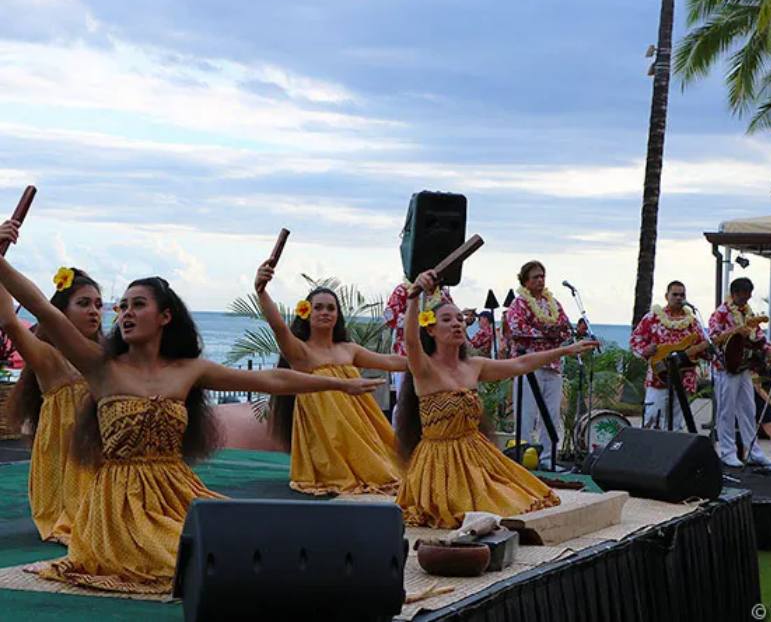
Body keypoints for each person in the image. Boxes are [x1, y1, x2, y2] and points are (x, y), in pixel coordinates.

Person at [0, 220, 382, 594]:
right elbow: (39, 305)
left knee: (251, 542)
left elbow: (273, 380)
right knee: (192, 560)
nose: (125, 314)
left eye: (138, 305)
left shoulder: (187, 371)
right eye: (123, 307)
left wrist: (339, 384)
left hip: (177, 490)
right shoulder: (101, 367)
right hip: (121, 506)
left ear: (165, 317)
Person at [396, 270, 598, 529]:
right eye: (447, 320)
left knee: (520, 498)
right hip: (439, 461)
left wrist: (566, 350)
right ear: (431, 329)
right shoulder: (423, 368)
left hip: (476, 453)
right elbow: (411, 341)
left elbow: (520, 363)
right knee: (462, 511)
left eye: (460, 318)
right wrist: (414, 298)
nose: (457, 323)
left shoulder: (474, 366)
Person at [255, 261, 406, 495]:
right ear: (306, 312)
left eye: (330, 308)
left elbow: (389, 361)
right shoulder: (300, 352)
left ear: (337, 315)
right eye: (319, 307)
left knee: (388, 471)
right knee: (350, 477)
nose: (325, 312)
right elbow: (278, 327)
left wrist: (427, 364)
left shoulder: (348, 349)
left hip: (359, 429)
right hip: (324, 435)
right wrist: (262, 291)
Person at [0, 263, 101, 545]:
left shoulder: (106, 357)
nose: (94, 310)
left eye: (98, 304)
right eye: (84, 303)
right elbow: (9, 321)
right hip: (66, 472)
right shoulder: (50, 360)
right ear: (60, 313)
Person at [504, 260, 573, 469]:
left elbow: (565, 329)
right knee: (526, 415)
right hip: (528, 366)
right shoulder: (519, 304)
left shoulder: (553, 304)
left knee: (551, 415)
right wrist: (547, 332)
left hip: (552, 366)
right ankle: (523, 460)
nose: (540, 280)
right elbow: (517, 329)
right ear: (525, 281)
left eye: (542, 276)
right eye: (535, 277)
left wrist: (545, 332)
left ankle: (548, 459)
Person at [708, 277, 771, 467]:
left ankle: (754, 451)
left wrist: (767, 348)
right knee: (726, 412)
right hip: (725, 368)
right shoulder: (720, 313)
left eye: (750, 294)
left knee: (748, 409)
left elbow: (758, 334)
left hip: (744, 367)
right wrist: (735, 331)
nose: (748, 298)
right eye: (745, 294)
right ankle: (728, 452)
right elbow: (713, 339)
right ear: (735, 293)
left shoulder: (748, 312)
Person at [630, 281, 708, 431]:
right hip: (659, 375)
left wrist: (708, 350)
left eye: (682, 295)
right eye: (675, 294)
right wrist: (646, 350)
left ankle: (670, 453)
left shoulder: (692, 321)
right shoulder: (653, 317)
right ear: (667, 296)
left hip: (683, 377)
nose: (679, 298)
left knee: (676, 423)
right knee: (652, 418)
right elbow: (635, 340)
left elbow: (702, 346)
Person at [384, 278, 452, 425]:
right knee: (405, 400)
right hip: (406, 355)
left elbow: (450, 317)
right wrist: (417, 319)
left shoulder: (443, 295)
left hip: (435, 355)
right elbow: (390, 317)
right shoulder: (403, 290)